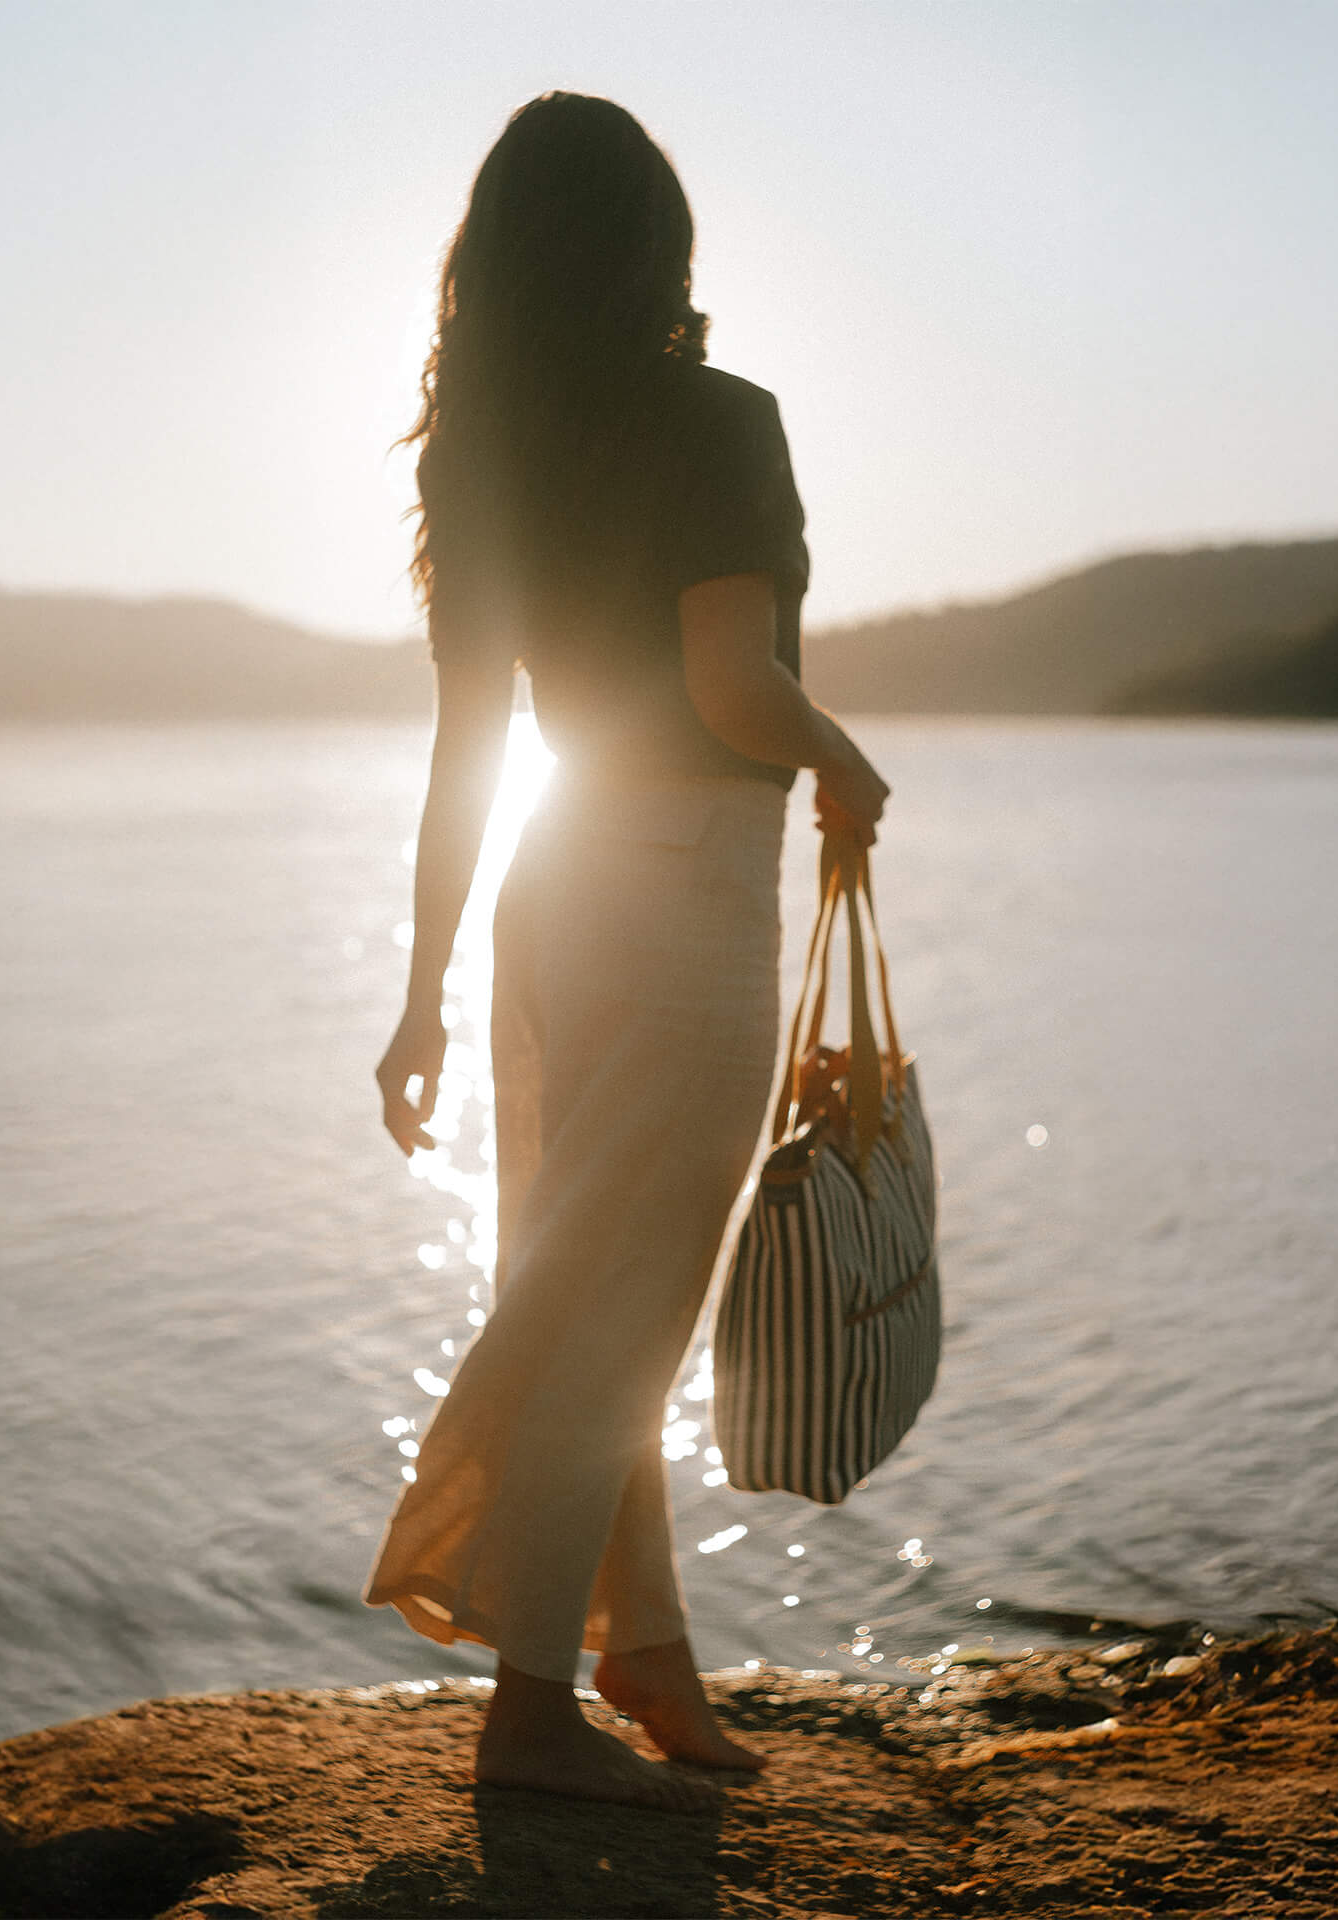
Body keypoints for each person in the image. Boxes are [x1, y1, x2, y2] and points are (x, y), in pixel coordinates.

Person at [362, 92, 889, 1812]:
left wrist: (422, 998)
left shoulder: (476, 455)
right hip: (681, 891)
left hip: (550, 883)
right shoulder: (723, 422)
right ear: (658, 249)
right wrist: (843, 756)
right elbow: (735, 685)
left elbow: (466, 751)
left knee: (590, 1273)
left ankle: (640, 1646)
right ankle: (529, 1711)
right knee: (618, 1298)